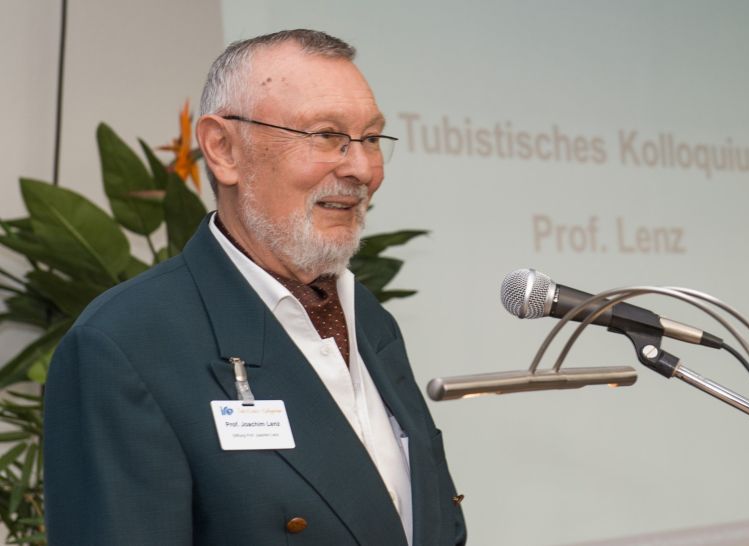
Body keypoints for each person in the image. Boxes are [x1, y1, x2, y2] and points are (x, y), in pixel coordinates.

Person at [43, 29, 466, 545]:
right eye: (325, 135)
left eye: (372, 139)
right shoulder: (126, 344)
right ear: (224, 150)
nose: (362, 169)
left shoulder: (369, 320)